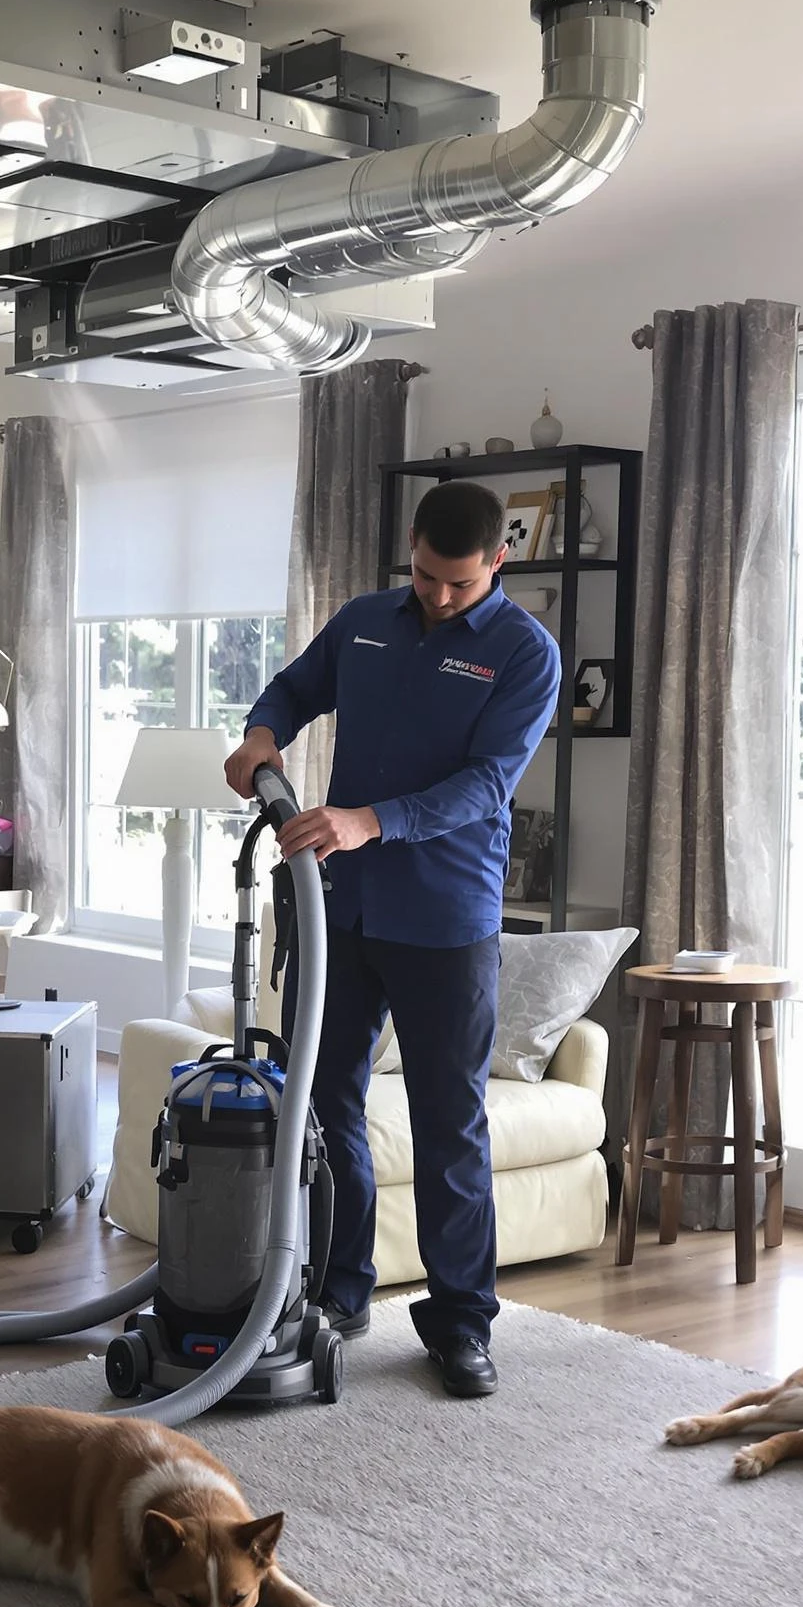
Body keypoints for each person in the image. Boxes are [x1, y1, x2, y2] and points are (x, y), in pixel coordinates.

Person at [225, 479, 559, 1397]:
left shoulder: (525, 654)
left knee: (448, 1123)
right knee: (323, 1102)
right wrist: (261, 737)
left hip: (446, 923)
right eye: (424, 576)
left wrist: (370, 820)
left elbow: (488, 786)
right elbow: (296, 688)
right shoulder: (368, 619)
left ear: (500, 562)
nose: (438, 597)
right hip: (338, 905)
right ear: (409, 548)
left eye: (458, 583)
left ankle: (460, 1324)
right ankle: (340, 1288)